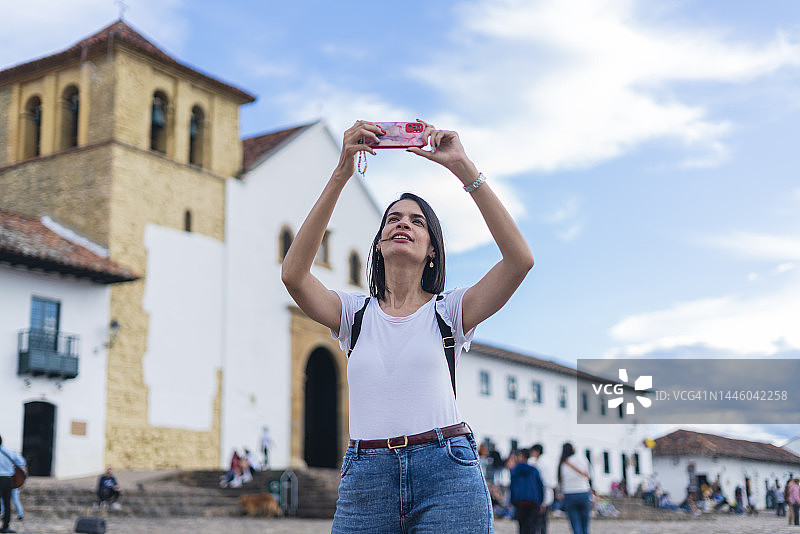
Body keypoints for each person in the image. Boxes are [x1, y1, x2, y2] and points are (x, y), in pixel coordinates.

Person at [282, 119, 534, 533]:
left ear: (432, 250)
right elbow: (294, 275)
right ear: (379, 244)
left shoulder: (449, 312)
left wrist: (463, 168)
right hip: (366, 480)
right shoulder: (354, 315)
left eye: (417, 222)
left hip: (447, 474)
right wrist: (342, 172)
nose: (403, 224)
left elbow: (519, 261)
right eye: (394, 219)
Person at [557, 442, 592, 534]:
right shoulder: (582, 459)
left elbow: (560, 481)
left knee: (575, 525)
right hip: (583, 492)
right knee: (585, 525)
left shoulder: (563, 463)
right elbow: (589, 475)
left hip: (569, 494)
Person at [510, 448, 544, 534]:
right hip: (533, 501)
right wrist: (541, 501)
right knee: (532, 526)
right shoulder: (534, 470)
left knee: (522, 526)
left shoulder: (514, 470)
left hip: (519, 501)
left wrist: (512, 500)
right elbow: (540, 486)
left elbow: (512, 487)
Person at [0, 435, 26, 533]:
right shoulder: (9, 452)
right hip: (8, 479)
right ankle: (5, 526)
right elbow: (21, 462)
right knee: (7, 503)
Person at [529, 443, 553, 534]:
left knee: (541, 521)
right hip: (541, 494)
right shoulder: (540, 461)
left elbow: (545, 482)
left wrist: (543, 501)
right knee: (541, 521)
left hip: (543, 494)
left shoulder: (542, 463)